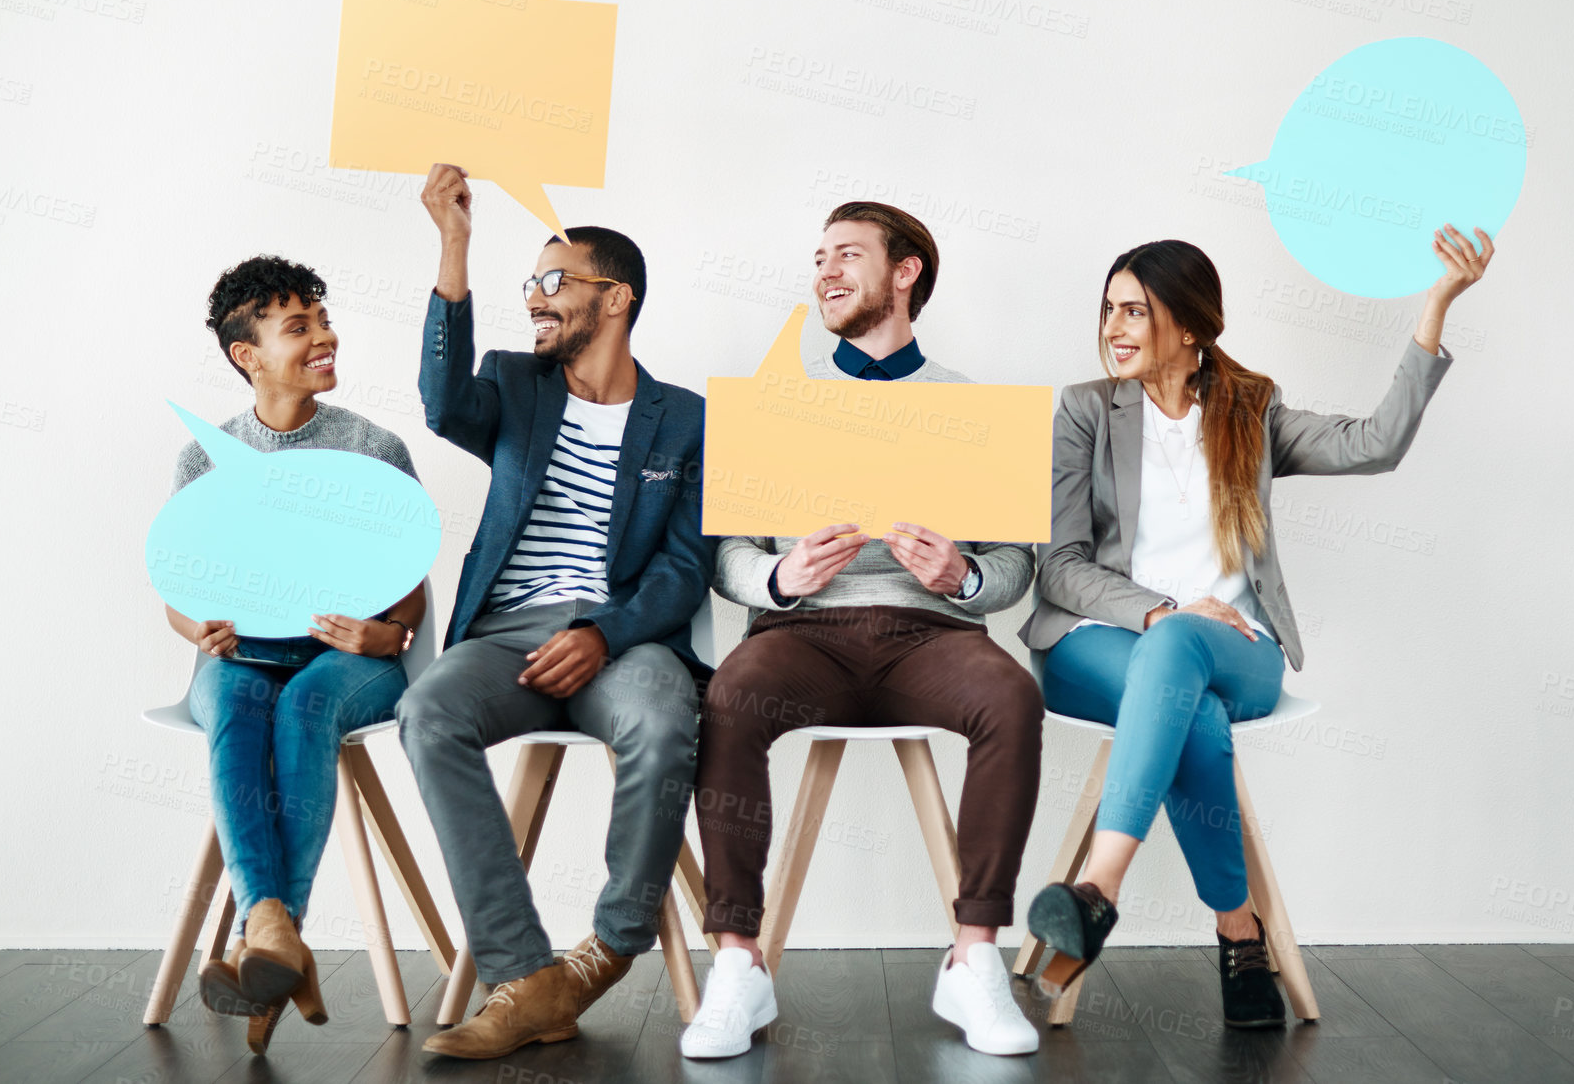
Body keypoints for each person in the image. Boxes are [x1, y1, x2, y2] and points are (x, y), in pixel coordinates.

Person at [1020, 228, 1495, 1027]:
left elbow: (1375, 445)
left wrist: (1435, 305)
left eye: (1135, 310)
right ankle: (1238, 933)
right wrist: (1161, 609)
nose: (1114, 327)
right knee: (1184, 692)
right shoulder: (1084, 410)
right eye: (1108, 309)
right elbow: (1060, 564)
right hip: (1095, 641)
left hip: (1234, 647)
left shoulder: (1251, 407)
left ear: (1193, 327)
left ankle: (1095, 889)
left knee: (1180, 660)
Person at [682, 201, 1045, 1060]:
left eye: (847, 254)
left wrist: (962, 576)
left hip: (934, 635)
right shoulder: (781, 402)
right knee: (728, 694)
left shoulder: (971, 407)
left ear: (906, 271)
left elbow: (1016, 565)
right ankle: (738, 963)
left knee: (1011, 695)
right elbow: (725, 549)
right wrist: (777, 576)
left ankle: (975, 954)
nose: (825, 273)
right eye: (818, 258)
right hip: (802, 631)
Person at [397, 164, 716, 1061]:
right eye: (529, 282)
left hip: (623, 636)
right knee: (426, 712)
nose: (534, 299)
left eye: (552, 282)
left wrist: (604, 632)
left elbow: (686, 565)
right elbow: (440, 400)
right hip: (505, 633)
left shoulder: (686, 419)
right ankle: (523, 971)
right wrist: (454, 244)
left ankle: (609, 946)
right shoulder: (513, 383)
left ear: (613, 298)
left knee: (663, 716)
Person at [164, 254, 427, 1054]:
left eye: (322, 317)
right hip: (242, 653)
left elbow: (409, 580)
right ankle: (276, 936)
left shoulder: (371, 445)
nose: (325, 336)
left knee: (306, 705)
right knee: (240, 708)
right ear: (248, 354)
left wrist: (394, 633)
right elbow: (177, 587)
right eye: (299, 326)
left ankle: (268, 935)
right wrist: (197, 628)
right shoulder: (205, 456)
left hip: (349, 659)